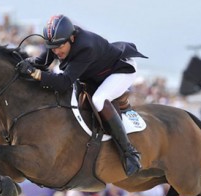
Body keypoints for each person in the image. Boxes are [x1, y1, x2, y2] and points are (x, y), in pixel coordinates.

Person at [16, 14, 148, 176]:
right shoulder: (58, 41)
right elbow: (42, 63)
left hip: (119, 71)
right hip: (96, 72)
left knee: (99, 100)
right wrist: (26, 64)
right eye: (52, 47)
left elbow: (64, 82)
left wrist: (35, 74)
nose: (56, 51)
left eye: (59, 46)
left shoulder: (86, 47)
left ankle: (129, 152)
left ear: (71, 38)